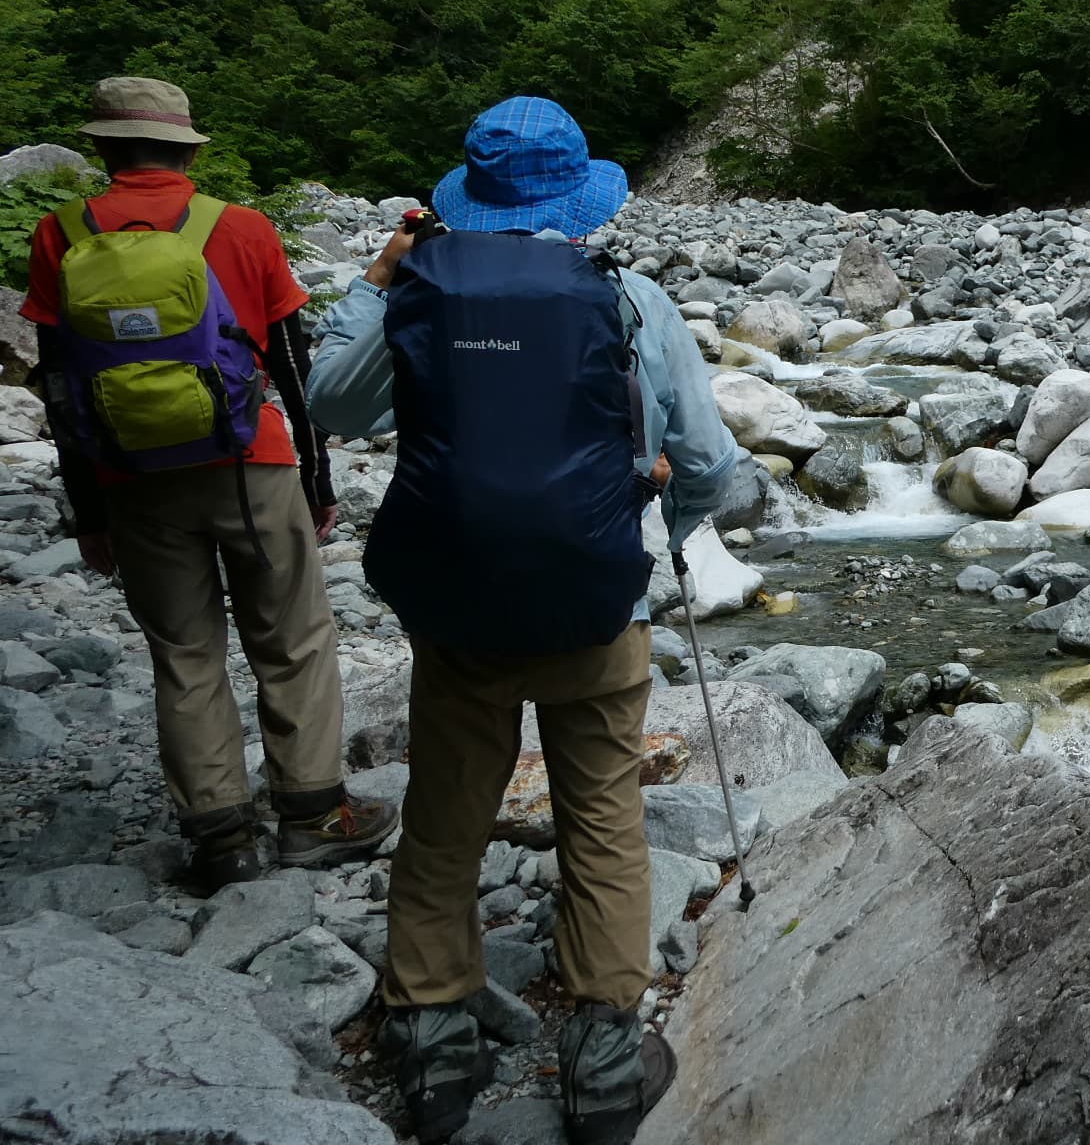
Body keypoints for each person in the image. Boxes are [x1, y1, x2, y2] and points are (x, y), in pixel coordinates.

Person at [306, 97, 739, 1145]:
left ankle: (433, 1041)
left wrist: (375, 279)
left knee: (446, 814)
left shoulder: (421, 291)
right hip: (597, 602)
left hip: (458, 605)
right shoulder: (629, 297)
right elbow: (710, 460)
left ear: (469, 197)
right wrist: (669, 527)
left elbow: (327, 404)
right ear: (580, 200)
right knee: (603, 816)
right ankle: (601, 1064)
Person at [19, 76, 397, 891]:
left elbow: (59, 383)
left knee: (185, 654)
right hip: (248, 464)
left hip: (131, 476)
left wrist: (89, 510)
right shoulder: (240, 227)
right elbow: (291, 363)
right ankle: (312, 814)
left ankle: (222, 839)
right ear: (185, 151)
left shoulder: (60, 233)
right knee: (293, 640)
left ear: (103, 148)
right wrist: (317, 478)